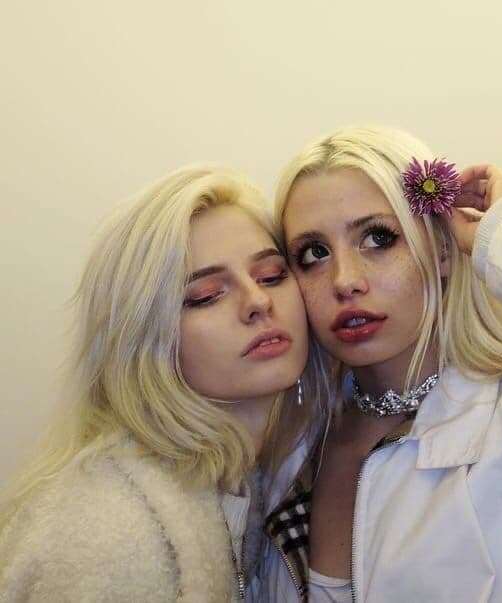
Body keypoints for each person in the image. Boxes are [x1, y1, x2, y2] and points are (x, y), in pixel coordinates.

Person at [253, 108, 502, 602]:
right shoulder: (282, 454)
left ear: (440, 249)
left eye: (378, 238)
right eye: (314, 253)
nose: (345, 281)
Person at [0, 165, 329, 602]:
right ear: (143, 335)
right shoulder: (113, 532)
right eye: (206, 295)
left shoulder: (246, 484)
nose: (258, 301)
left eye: (271, 275)